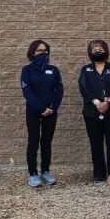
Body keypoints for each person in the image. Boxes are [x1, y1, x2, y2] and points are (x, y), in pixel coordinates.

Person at [20, 40, 64, 188]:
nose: (42, 53)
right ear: (33, 53)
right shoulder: (27, 70)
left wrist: (53, 107)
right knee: (33, 141)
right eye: (39, 50)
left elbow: (59, 90)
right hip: (33, 111)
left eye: (45, 50)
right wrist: (41, 108)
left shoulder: (53, 70)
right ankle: (32, 173)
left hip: (51, 111)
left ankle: (45, 171)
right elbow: (27, 92)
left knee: (46, 142)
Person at [78, 39, 110, 183]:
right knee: (95, 143)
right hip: (92, 112)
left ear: (106, 50)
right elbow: (84, 88)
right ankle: (99, 173)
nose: (98, 51)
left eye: (100, 49)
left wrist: (108, 102)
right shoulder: (85, 70)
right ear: (90, 53)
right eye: (95, 50)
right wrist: (97, 103)